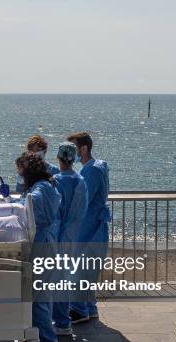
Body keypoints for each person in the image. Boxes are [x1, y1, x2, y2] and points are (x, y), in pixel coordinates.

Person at [14, 151, 62, 342]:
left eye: (20, 171)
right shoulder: (47, 185)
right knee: (40, 296)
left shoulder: (38, 190)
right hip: (47, 243)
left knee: (39, 297)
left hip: (41, 246)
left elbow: (32, 209)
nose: (19, 175)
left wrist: (19, 204)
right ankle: (36, 338)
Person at [67, 132, 110, 323]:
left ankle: (78, 310)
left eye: (73, 148)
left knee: (79, 271)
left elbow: (83, 201)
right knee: (87, 270)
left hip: (89, 228)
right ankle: (90, 307)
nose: (71, 154)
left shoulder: (89, 171)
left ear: (83, 148)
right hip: (96, 227)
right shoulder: (98, 167)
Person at [51, 142, 88, 335]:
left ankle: (61, 322)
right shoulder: (80, 181)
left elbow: (52, 210)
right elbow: (82, 211)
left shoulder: (56, 180)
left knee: (55, 280)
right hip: (73, 235)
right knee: (65, 278)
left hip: (57, 236)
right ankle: (63, 319)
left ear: (58, 158)